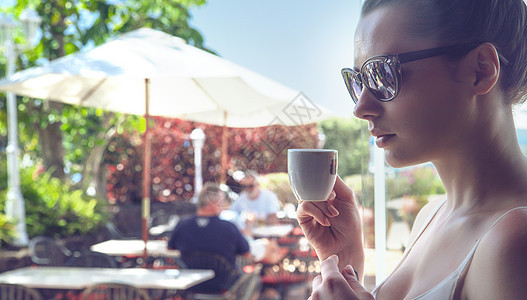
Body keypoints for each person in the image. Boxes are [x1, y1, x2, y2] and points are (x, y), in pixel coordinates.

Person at [297, 0, 527, 299]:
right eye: (358, 81)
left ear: (480, 71)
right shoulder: (430, 216)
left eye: (382, 74)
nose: (360, 108)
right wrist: (346, 262)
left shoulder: (514, 241)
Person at [168, 182, 250, 270]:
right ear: (213, 203)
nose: (223, 206)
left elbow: (170, 248)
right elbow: (246, 253)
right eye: (221, 202)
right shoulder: (229, 228)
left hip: (192, 280)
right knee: (253, 277)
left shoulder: (182, 225)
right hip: (225, 282)